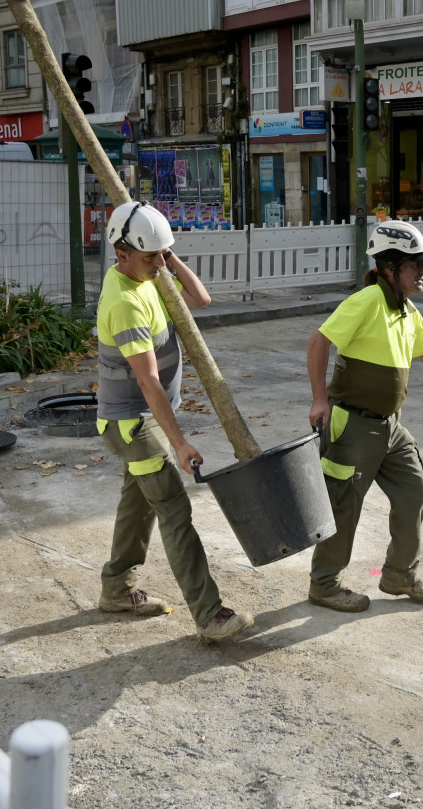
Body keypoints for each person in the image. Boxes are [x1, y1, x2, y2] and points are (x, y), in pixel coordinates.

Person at [96, 201, 254, 644]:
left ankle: (115, 589)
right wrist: (179, 443)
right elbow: (147, 383)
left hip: (137, 418)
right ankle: (209, 615)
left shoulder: (148, 276)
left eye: (163, 256)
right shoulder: (124, 303)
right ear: (120, 253)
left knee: (138, 504)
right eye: (149, 258)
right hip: (131, 422)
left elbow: (199, 300)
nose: (158, 265)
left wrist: (165, 255)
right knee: (173, 508)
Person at [305, 221, 423, 612]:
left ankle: (399, 575)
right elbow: (318, 342)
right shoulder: (365, 302)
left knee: (415, 492)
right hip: (352, 424)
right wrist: (318, 400)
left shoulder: (406, 310)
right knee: (344, 508)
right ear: (390, 268)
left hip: (390, 427)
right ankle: (324, 585)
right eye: (416, 265)